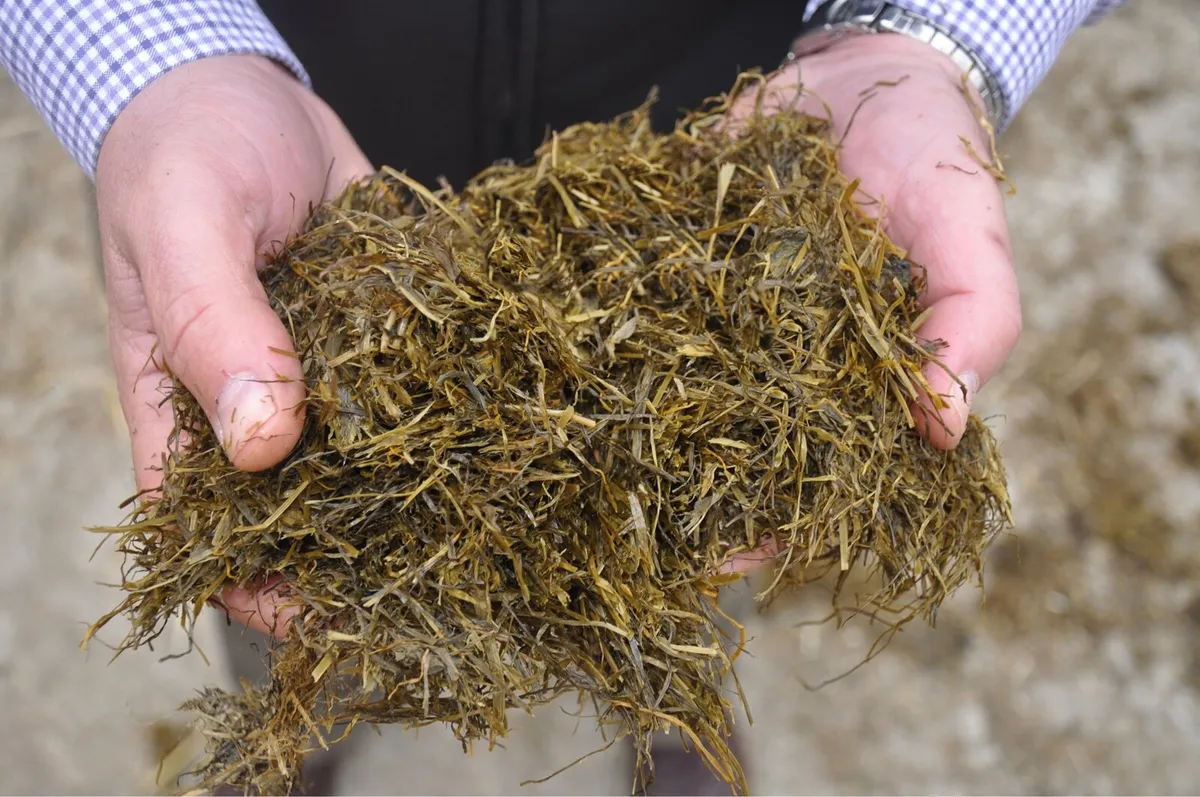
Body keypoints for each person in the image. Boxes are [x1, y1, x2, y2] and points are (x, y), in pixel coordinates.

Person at [0, 1, 1125, 793]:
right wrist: (162, 59)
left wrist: (923, 33)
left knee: (703, 516)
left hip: (710, 128)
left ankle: (672, 710)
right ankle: (294, 723)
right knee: (290, 531)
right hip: (298, 148)